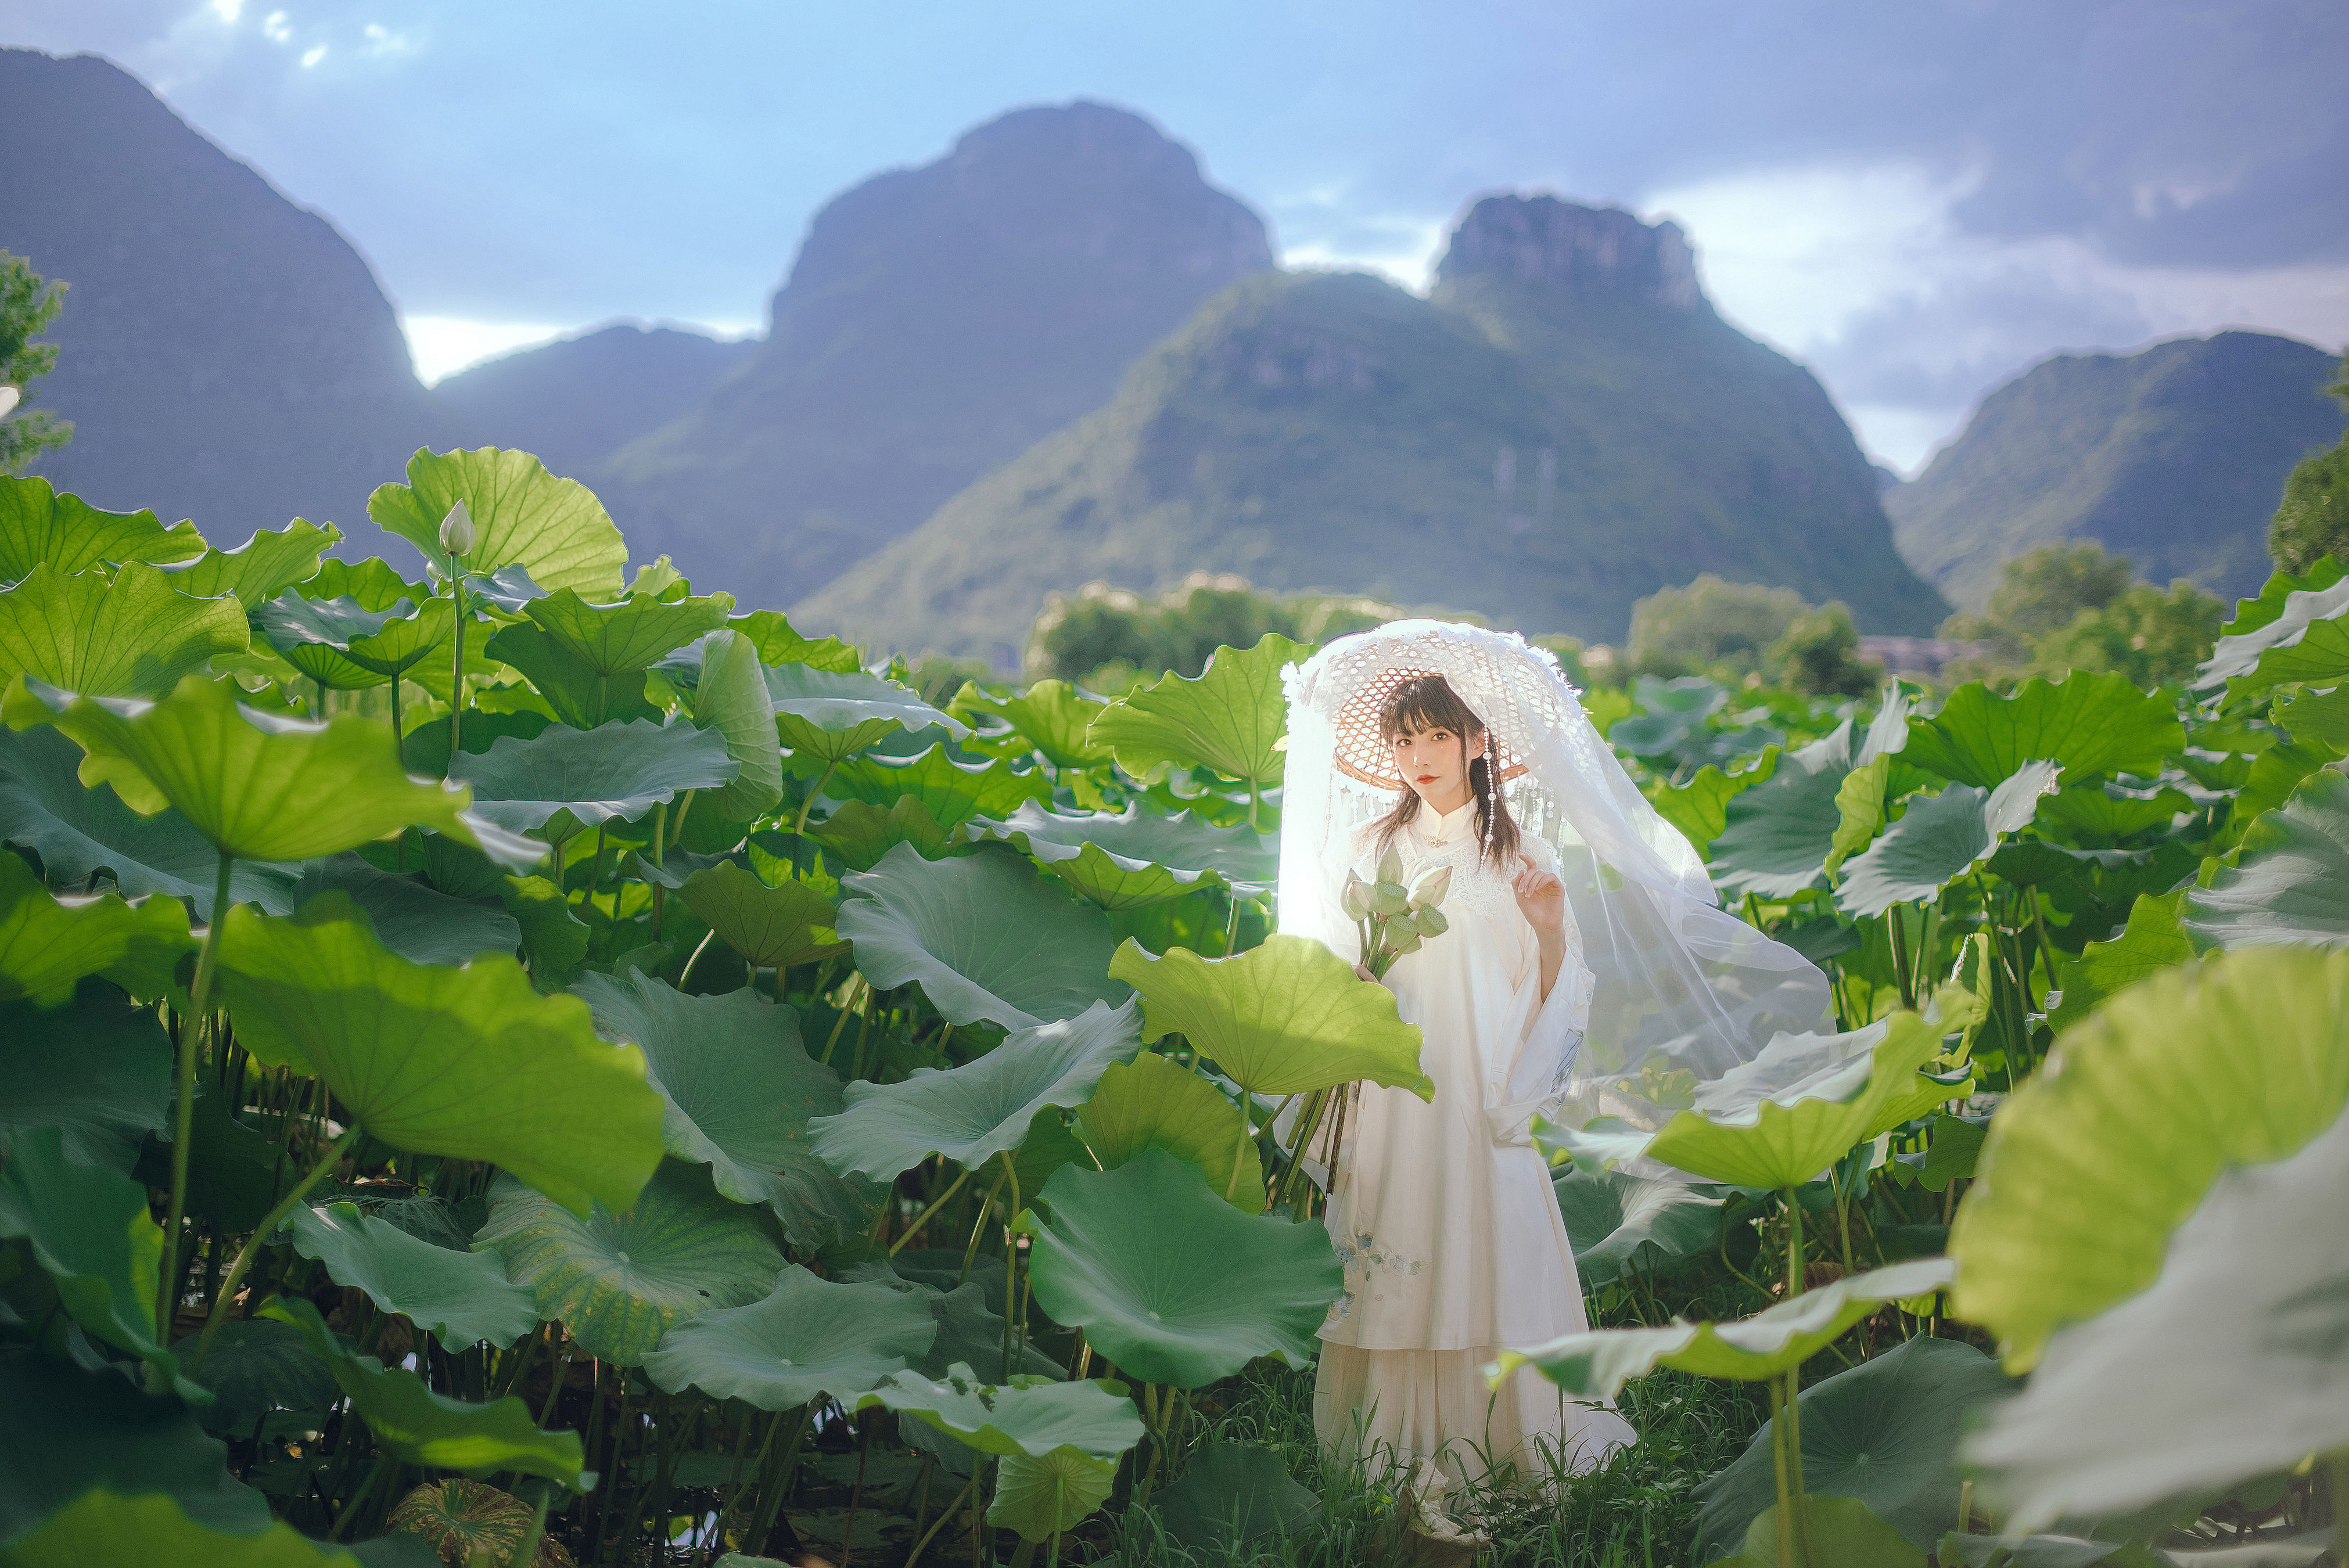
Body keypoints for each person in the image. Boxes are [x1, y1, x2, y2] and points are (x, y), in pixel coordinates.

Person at [1275, 621, 1832, 1498]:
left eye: (1436, 736)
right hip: (1388, 1077)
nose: (1418, 755)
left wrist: (1544, 933)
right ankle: (1385, 1444)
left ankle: (1501, 1439)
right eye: (1405, 738)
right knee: (1394, 1241)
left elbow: (1558, 993)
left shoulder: (1518, 858)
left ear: (1479, 742)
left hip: (1476, 1082)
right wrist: (1347, 978)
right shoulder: (1369, 851)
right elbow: (1330, 969)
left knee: (1482, 1235)